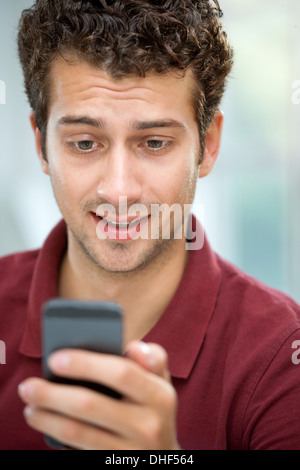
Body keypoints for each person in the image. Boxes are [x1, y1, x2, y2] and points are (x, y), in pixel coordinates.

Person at [0, 0, 300, 451]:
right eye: (84, 143)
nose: (120, 191)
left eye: (155, 142)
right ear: (42, 145)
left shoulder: (282, 358)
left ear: (209, 145)